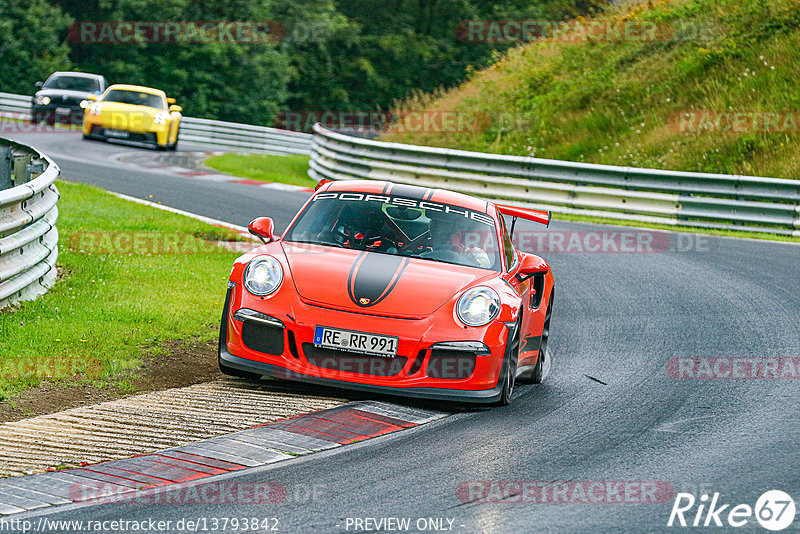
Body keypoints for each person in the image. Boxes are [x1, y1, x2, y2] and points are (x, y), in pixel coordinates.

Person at [422, 215, 491, 268]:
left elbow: (484, 267)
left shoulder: (475, 253)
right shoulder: (421, 256)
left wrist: (470, 259)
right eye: (441, 235)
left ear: (459, 235)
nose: (446, 238)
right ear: (432, 237)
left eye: (449, 234)